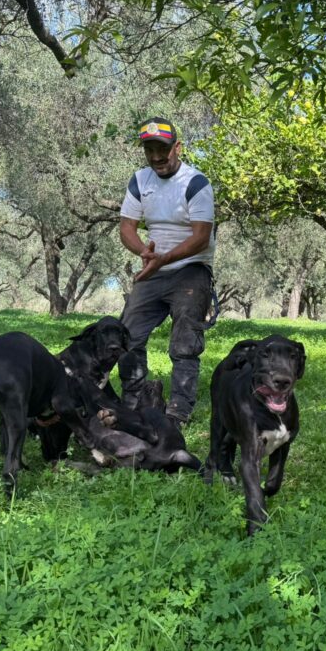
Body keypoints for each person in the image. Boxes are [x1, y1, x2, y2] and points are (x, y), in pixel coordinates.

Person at [117, 117, 215, 428]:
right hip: (154, 268)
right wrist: (144, 252)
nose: (157, 157)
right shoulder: (140, 181)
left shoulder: (196, 183)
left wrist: (165, 258)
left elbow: (201, 237)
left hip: (191, 269)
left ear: (177, 148)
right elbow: (127, 227)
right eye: (150, 150)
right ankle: (133, 399)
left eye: (163, 149)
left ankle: (178, 410)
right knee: (127, 334)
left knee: (185, 342)